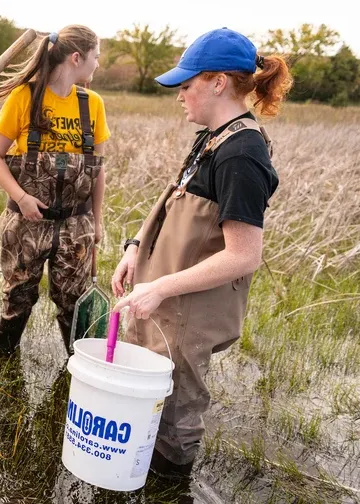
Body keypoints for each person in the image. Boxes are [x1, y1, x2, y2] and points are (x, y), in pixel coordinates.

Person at [111, 27, 293, 478]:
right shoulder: (212, 135)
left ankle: (170, 482)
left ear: (218, 82)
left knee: (176, 411)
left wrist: (160, 287)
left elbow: (243, 255)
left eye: (187, 84)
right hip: (164, 295)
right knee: (149, 394)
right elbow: (176, 203)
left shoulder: (242, 153)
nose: (180, 95)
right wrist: (136, 247)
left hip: (189, 310)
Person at [0, 25, 110, 357]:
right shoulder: (24, 96)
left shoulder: (92, 104)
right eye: (96, 57)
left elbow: (97, 169)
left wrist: (97, 221)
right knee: (18, 297)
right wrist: (21, 198)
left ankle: (78, 368)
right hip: (25, 223)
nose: (97, 64)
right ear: (77, 58)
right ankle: (4, 365)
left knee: (73, 302)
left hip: (75, 226)